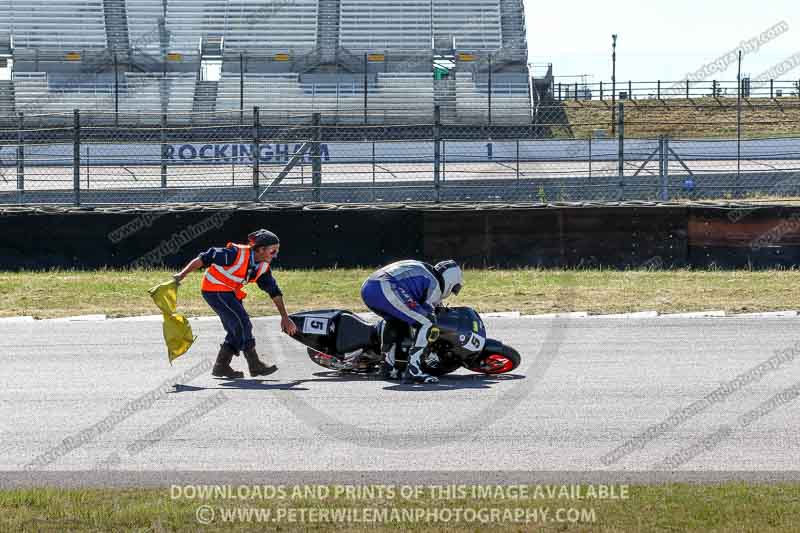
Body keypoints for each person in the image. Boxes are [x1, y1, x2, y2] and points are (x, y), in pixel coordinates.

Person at [173, 229, 298, 379]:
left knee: (236, 329)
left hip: (230, 293)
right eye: (273, 251)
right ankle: (254, 364)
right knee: (243, 323)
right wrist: (181, 275)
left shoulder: (262, 266)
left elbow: (274, 292)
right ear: (261, 249)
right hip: (214, 289)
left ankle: (221, 367)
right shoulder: (235, 253)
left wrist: (285, 317)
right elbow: (204, 258)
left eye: (277, 251)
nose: (276, 255)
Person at [360, 259, 463, 384]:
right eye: (454, 289)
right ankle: (414, 370)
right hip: (386, 286)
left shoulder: (425, 269)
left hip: (369, 286)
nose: (451, 292)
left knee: (396, 320)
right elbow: (429, 311)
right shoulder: (435, 283)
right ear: (451, 281)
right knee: (427, 323)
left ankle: (387, 367)